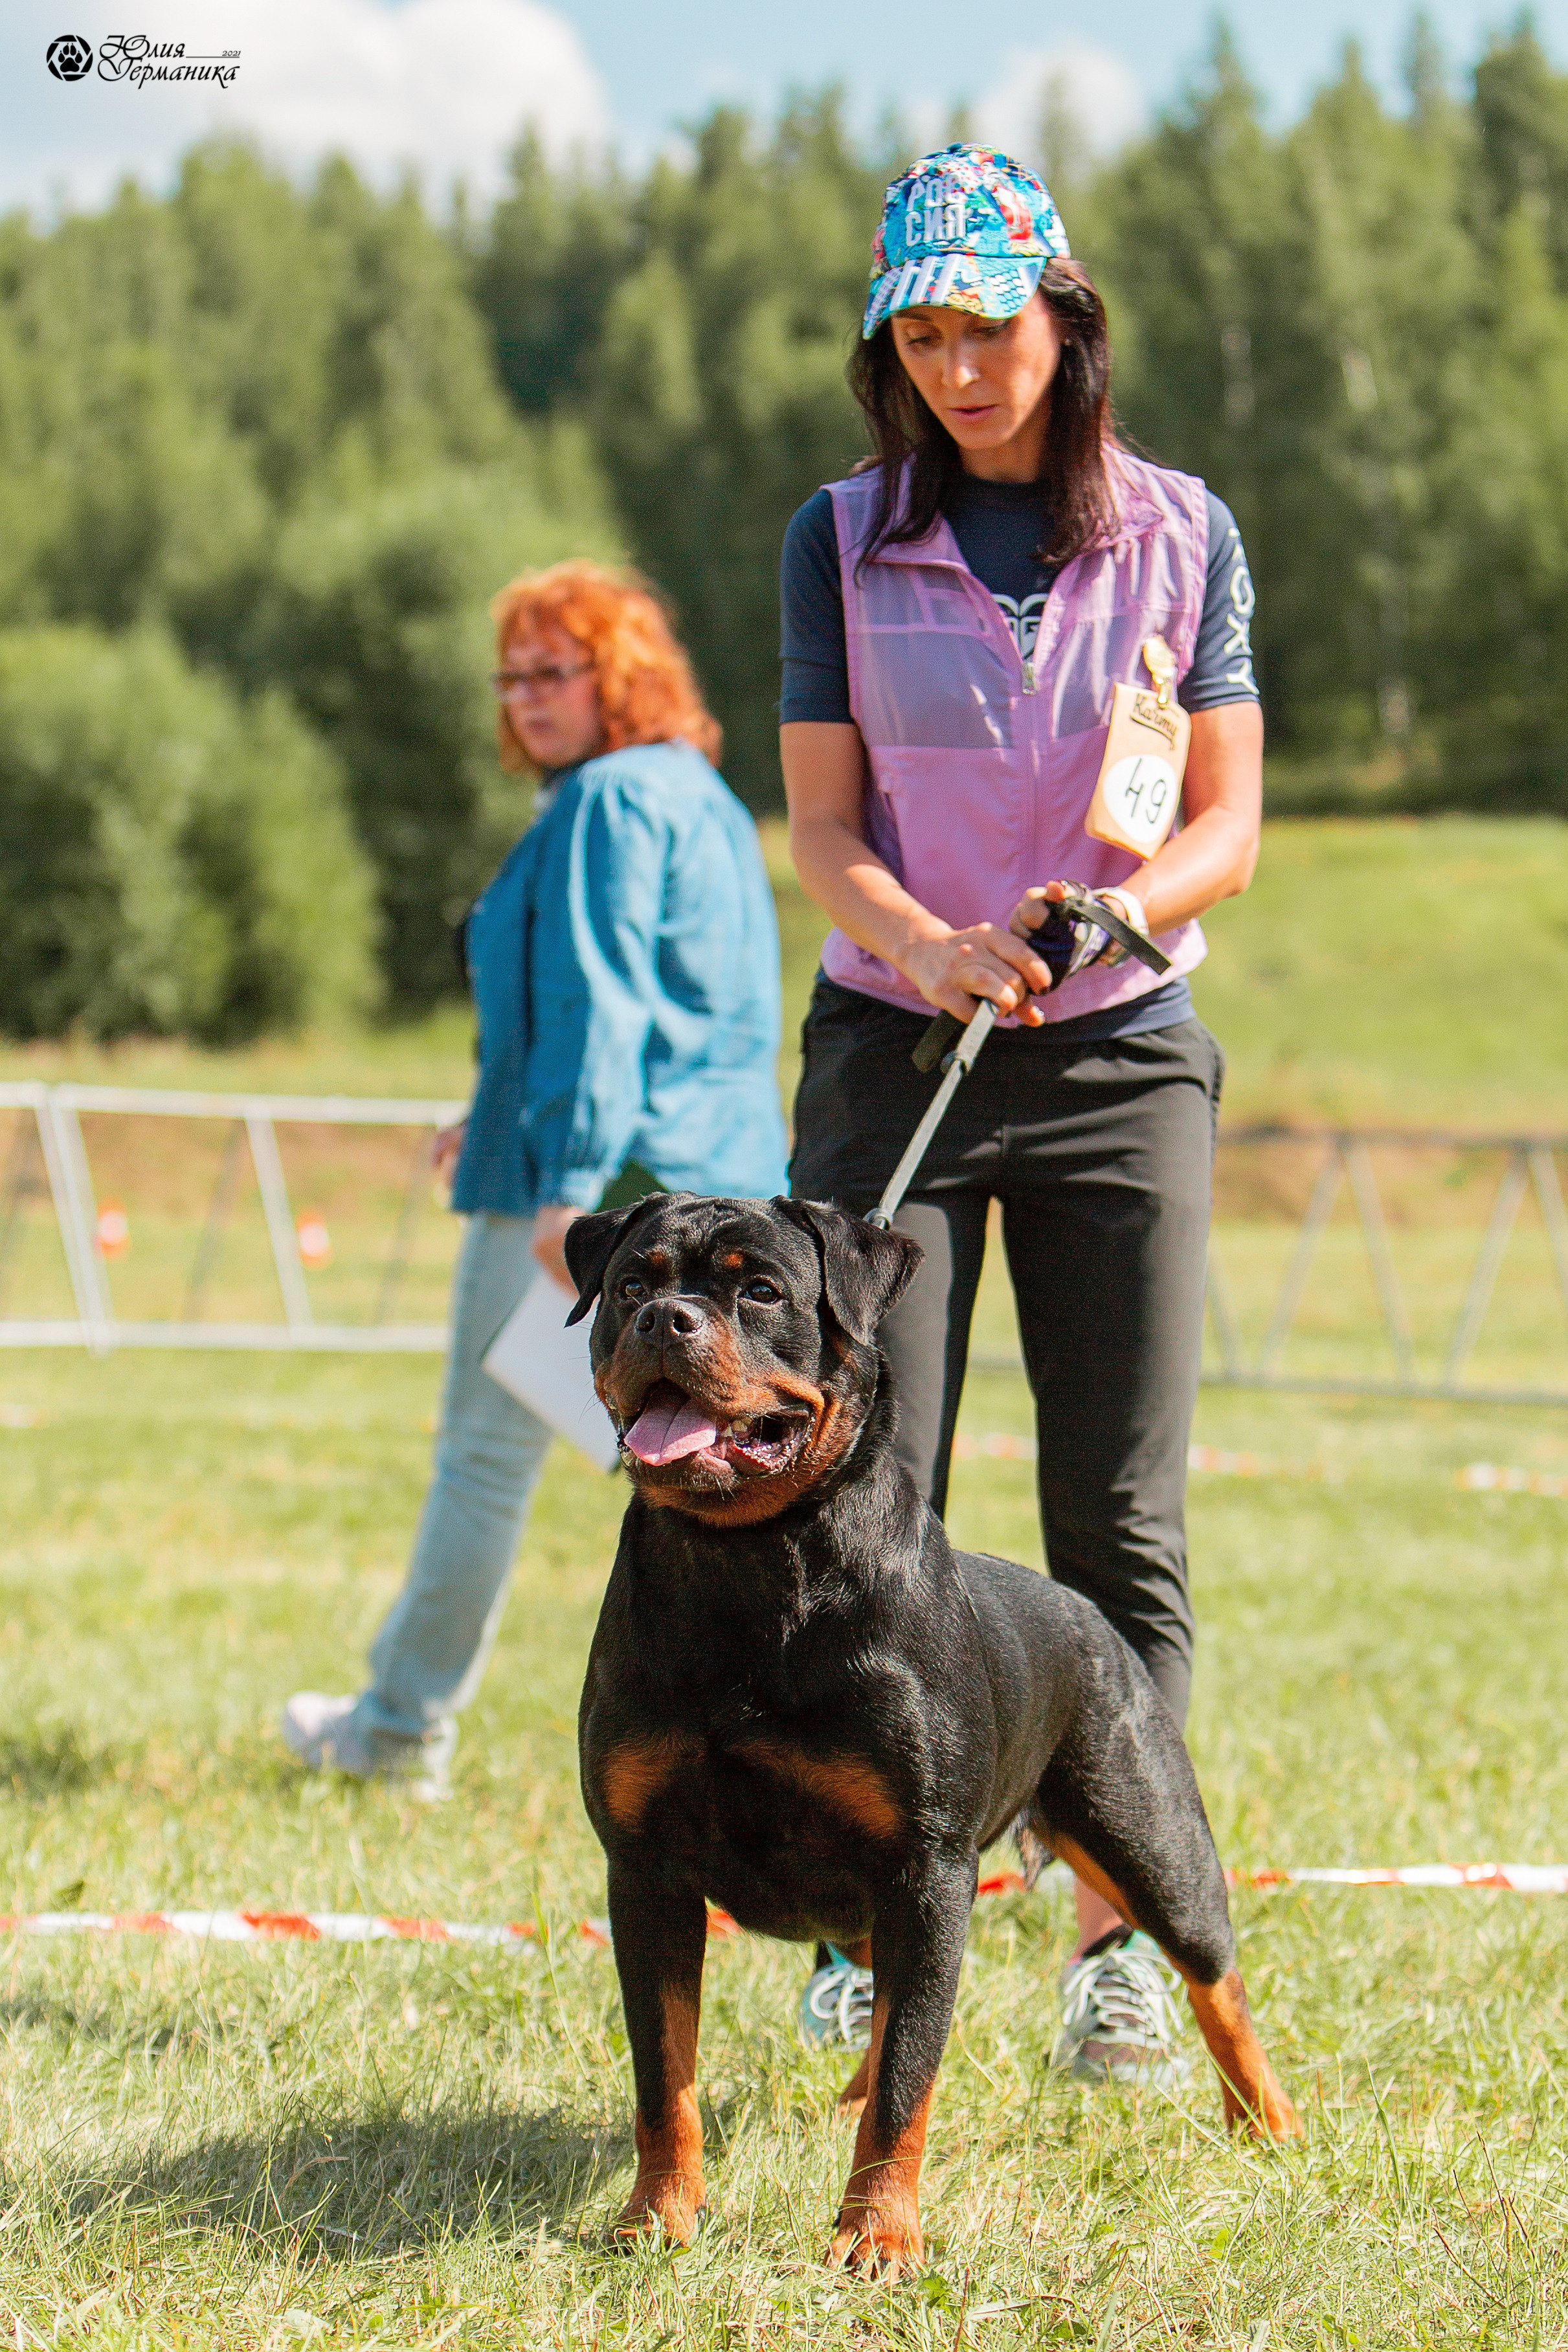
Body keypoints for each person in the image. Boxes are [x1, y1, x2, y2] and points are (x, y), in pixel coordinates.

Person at [780, 146, 1262, 2085]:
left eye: (988, 323)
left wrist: (1111, 910)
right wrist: (931, 941)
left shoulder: (1181, 528)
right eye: (921, 329)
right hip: (900, 1042)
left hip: (1119, 1055)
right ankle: (851, 1922)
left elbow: (1223, 819)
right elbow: (822, 831)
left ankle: (1116, 1945)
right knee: (860, 1496)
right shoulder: (835, 532)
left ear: (1063, 319)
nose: (958, 364)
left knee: (1112, 1525)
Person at [283, 561, 789, 1795]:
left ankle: (398, 1731)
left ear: (620, 671)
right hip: (727, 1197)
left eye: (554, 670)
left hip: (599, 1195)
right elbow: (679, 1014)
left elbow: (602, 1008)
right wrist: (494, 1114)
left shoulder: (607, 801)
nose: (526, 699)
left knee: (483, 1463)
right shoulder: (707, 801)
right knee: (736, 1488)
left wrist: (563, 1192)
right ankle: (788, 1743)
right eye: (510, 678)